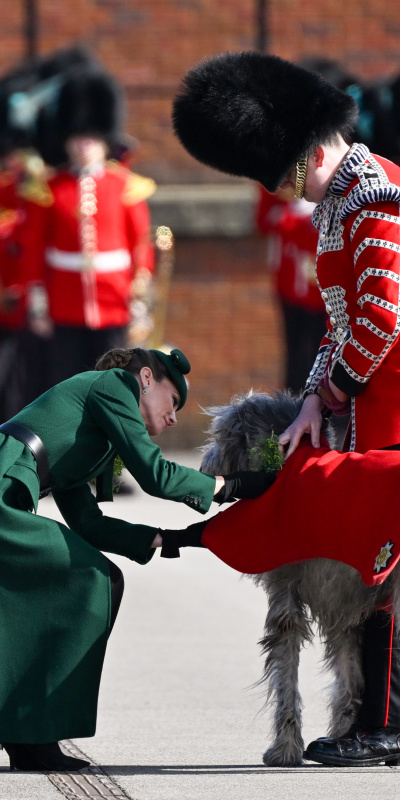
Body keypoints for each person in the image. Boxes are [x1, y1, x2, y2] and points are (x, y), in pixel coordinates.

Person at [171, 51, 400, 765]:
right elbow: (338, 321)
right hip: (371, 410)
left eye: (289, 178)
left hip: (392, 412)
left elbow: (385, 317)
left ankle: (382, 727)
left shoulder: (376, 199)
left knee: (384, 569)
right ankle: (371, 721)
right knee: (370, 562)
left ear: (317, 149)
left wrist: (333, 391)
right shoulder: (341, 199)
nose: (291, 195)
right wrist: (310, 399)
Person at [0, 344, 270, 772]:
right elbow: (155, 474)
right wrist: (229, 485)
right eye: (173, 399)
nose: (174, 416)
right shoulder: (113, 385)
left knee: (99, 579)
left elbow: (88, 523)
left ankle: (27, 731)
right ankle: (32, 732)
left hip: (9, 490)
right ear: (146, 379)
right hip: (4, 484)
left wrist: (167, 539)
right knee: (93, 580)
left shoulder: (97, 434)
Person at [30, 66, 156, 388]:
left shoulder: (125, 186)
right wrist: (39, 304)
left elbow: (140, 246)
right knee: (66, 384)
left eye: (91, 138)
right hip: (65, 304)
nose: (84, 145)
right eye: (77, 137)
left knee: (112, 384)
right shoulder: (50, 190)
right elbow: (35, 249)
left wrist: (140, 302)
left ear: (104, 140)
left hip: (114, 302)